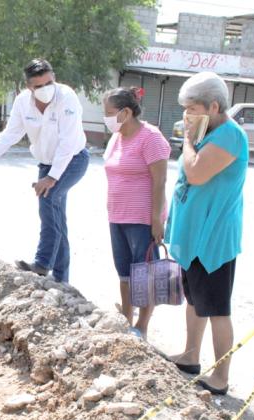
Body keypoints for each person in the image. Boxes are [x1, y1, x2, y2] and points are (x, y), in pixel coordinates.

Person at [0, 59, 88, 283]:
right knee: (57, 217)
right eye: (38, 86)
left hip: (73, 160)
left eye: (49, 82)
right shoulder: (22, 103)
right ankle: (61, 278)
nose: (45, 89)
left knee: (48, 200)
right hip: (47, 164)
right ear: (28, 87)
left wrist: (51, 178)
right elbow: (10, 134)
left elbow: (68, 142)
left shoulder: (67, 97)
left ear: (54, 77)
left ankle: (42, 263)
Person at [164, 71, 249, 396]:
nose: (187, 115)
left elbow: (197, 173)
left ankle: (221, 377)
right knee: (195, 300)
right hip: (193, 234)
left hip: (213, 238)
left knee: (216, 308)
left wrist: (187, 140)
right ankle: (190, 355)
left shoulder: (228, 135)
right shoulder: (207, 132)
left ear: (214, 106)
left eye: (193, 109)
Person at [101, 87, 170, 337]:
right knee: (124, 272)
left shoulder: (151, 137)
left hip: (142, 218)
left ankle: (142, 325)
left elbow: (160, 180)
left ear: (126, 112)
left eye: (109, 113)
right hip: (117, 215)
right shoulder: (116, 137)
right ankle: (126, 319)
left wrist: (156, 219)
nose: (105, 118)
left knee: (145, 274)